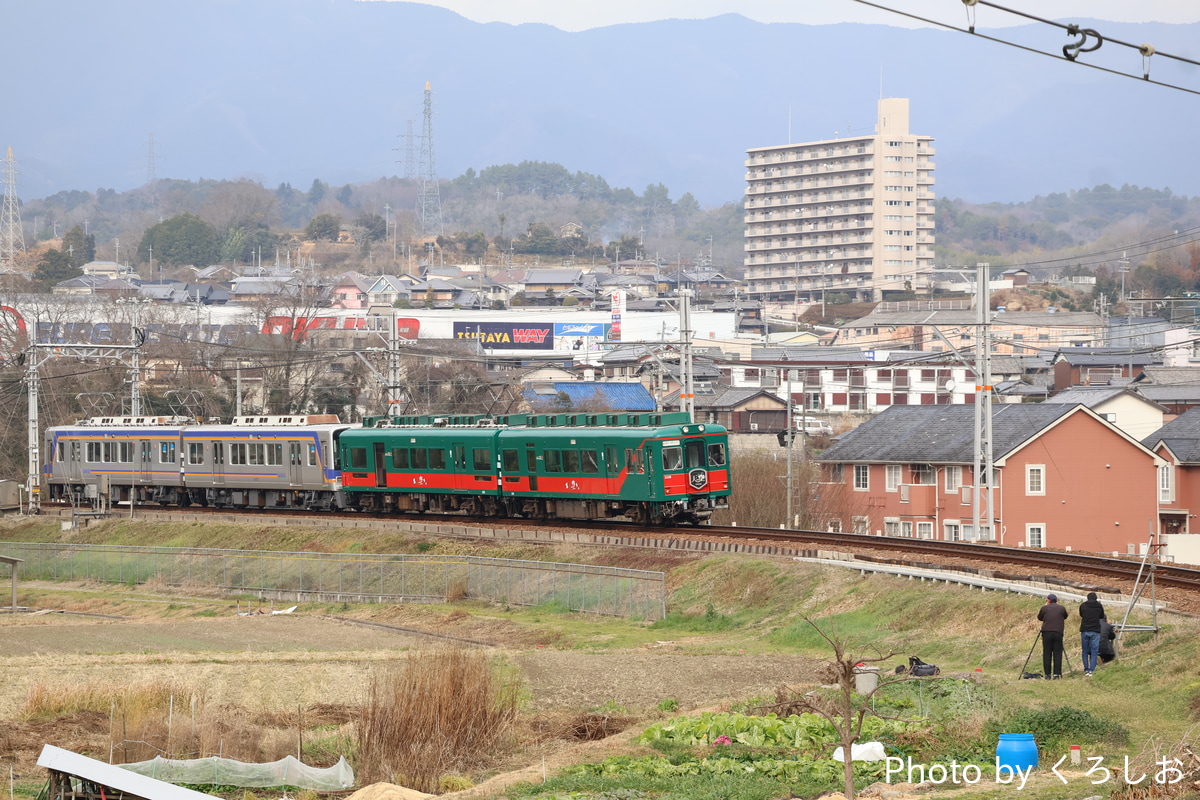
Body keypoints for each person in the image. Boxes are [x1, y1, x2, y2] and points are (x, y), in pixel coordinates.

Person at [1037, 593, 1069, 678]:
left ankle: (1047, 674)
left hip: (1047, 632)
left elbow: (1039, 617)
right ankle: (1056, 674)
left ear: (1048, 600)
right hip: (1058, 632)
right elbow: (1065, 616)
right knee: (1057, 653)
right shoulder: (1061, 608)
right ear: (1057, 601)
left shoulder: (1044, 608)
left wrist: (1046, 606)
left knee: (1047, 653)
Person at [1078, 591, 1107, 677]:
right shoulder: (1099, 606)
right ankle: (1092, 669)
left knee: (1085, 651)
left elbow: (1081, 614)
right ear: (1096, 598)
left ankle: (1086, 669)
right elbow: (1102, 616)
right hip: (1095, 630)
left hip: (1085, 629)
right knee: (1094, 651)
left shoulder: (1083, 605)